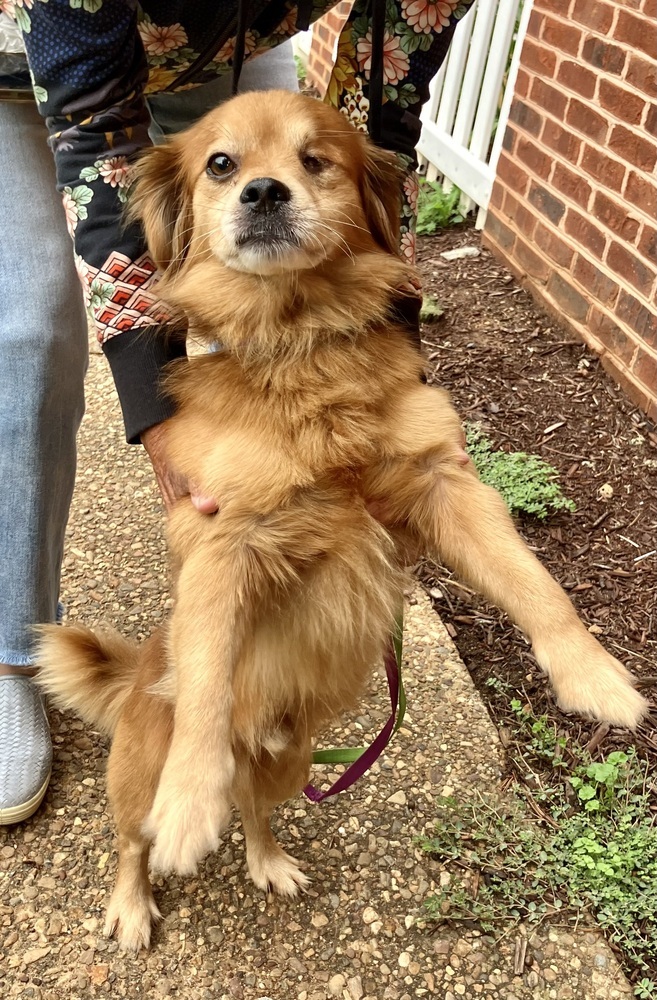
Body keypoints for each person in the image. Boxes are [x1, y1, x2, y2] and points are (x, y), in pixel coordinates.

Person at [0, 0, 472, 824]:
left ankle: (252, 635)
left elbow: (376, 123)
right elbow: (95, 135)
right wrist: (158, 415)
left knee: (284, 266)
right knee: (29, 332)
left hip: (229, 61)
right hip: (40, 80)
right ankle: (9, 655)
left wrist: (389, 385)